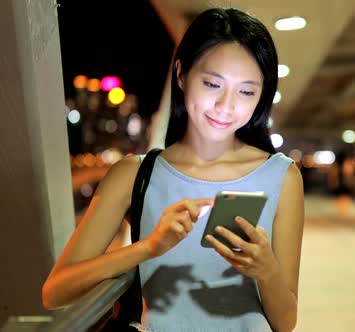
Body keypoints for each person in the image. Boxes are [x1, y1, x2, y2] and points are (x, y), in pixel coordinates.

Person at [42, 8, 304, 332]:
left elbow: (286, 322)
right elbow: (56, 291)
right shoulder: (135, 175)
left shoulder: (281, 176)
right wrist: (148, 247)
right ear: (181, 74)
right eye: (212, 83)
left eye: (246, 91)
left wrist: (267, 271)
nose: (226, 105)